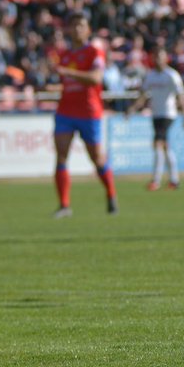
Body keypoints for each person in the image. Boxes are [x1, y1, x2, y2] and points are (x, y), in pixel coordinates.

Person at [51, 12, 117, 218]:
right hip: (65, 111)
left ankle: (111, 194)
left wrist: (68, 73)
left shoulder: (94, 52)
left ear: (88, 30)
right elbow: (66, 83)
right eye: (74, 26)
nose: (77, 29)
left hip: (89, 112)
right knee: (61, 155)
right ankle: (64, 205)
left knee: (97, 159)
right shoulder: (64, 55)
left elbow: (96, 78)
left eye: (81, 25)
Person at [127, 47, 184, 191]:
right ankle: (174, 180)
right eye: (155, 57)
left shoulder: (171, 75)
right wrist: (132, 109)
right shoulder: (151, 75)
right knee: (165, 146)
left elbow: (181, 96)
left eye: (160, 57)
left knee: (157, 144)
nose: (158, 60)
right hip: (156, 114)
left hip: (168, 114)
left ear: (165, 58)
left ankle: (155, 180)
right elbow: (143, 95)